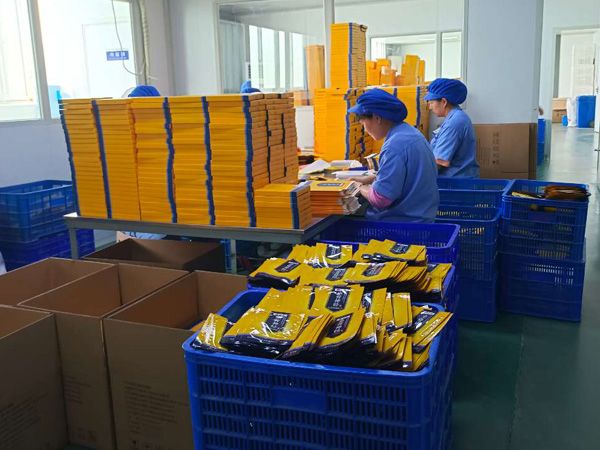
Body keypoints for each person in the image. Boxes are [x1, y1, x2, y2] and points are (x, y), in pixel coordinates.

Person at [348, 89, 439, 223]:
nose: (365, 130)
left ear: (377, 118)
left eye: (363, 124)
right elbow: (408, 176)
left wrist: (359, 187)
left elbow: (381, 199)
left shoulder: (394, 146)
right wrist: (372, 178)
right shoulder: (410, 132)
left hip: (402, 224)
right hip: (422, 216)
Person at [426, 78, 479, 178]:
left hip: (456, 183)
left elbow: (438, 163)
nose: (430, 107)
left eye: (431, 103)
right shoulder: (454, 117)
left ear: (444, 102)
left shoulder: (453, 123)